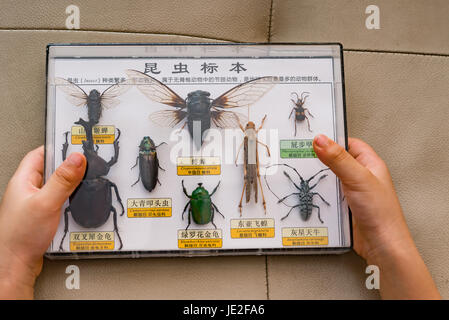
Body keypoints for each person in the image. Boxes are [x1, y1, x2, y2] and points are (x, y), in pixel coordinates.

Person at [0, 135, 441, 299]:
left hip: (205, 199)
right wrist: (386, 240)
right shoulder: (129, 173)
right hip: (186, 206)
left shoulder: (181, 181)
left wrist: (14, 263)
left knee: (255, 184)